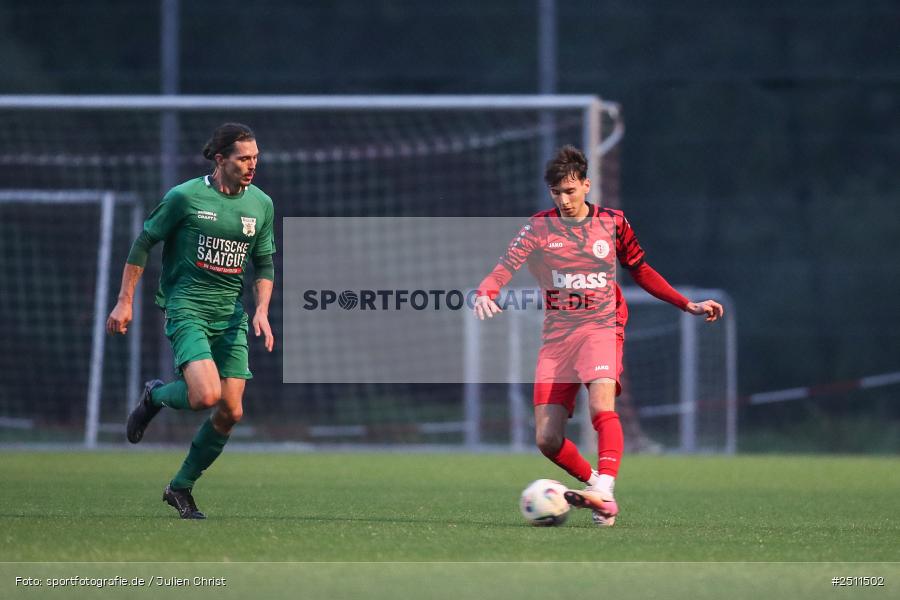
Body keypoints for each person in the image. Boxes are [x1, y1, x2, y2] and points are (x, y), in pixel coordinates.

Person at [474, 145, 723, 526]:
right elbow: (505, 266)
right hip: (558, 336)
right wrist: (487, 290)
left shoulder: (614, 223)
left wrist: (685, 304)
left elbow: (640, 270)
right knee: (547, 440)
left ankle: (604, 488)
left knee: (601, 407)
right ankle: (598, 493)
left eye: (570, 191)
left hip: (602, 325)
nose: (564, 200)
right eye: (556, 193)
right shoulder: (539, 227)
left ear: (586, 186)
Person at [107, 123, 276, 519]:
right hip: (186, 307)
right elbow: (144, 242)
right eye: (243, 158)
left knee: (231, 412)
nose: (252, 165)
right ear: (220, 160)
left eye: (255, 157)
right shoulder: (184, 197)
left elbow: (264, 261)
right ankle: (155, 396)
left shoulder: (261, 204)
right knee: (204, 396)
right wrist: (123, 302)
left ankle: (180, 487)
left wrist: (263, 310)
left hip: (229, 314)